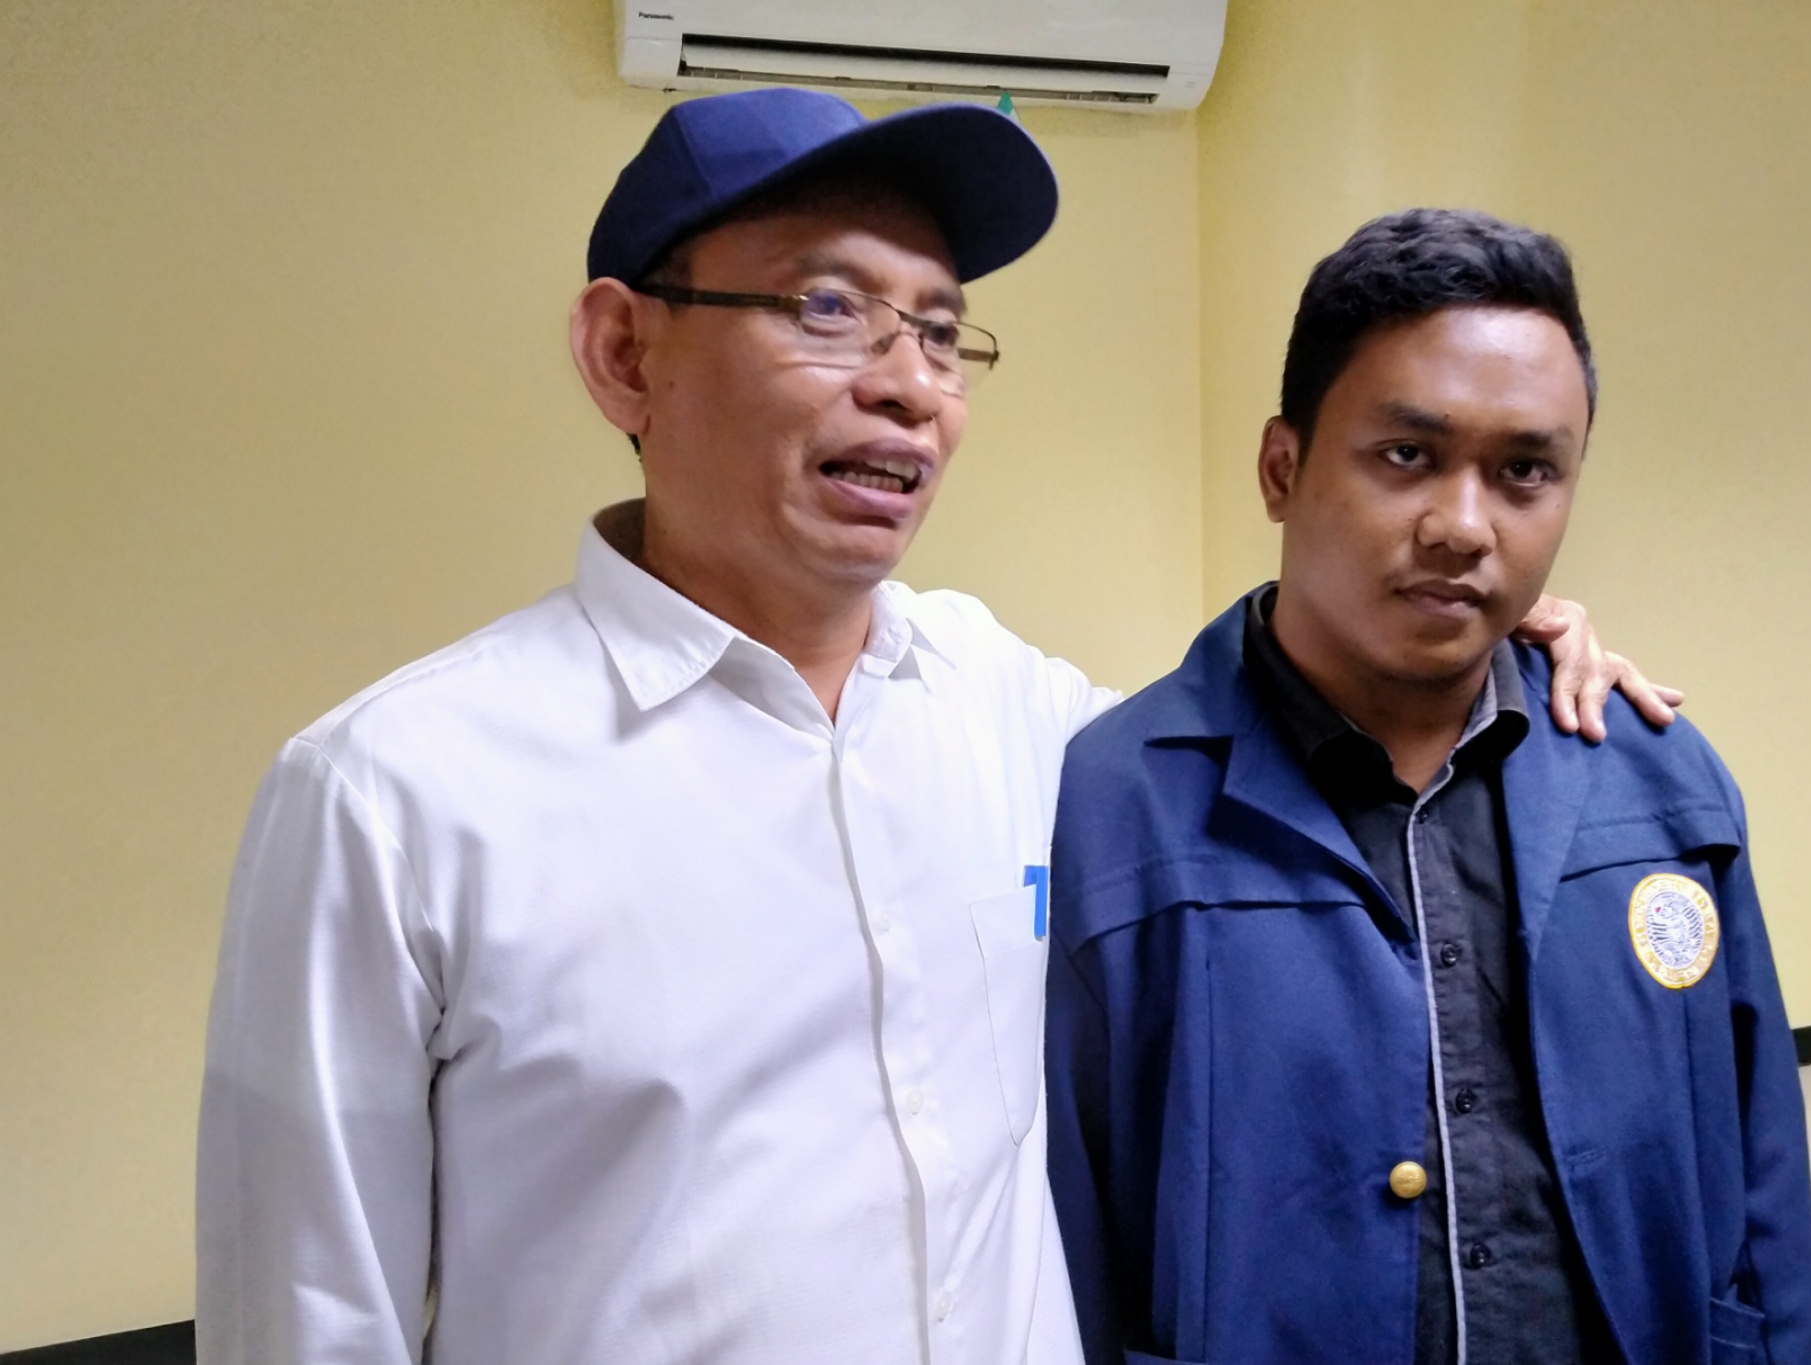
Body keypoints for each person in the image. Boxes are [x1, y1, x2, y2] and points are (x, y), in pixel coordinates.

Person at [197, 91, 1677, 1365]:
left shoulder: (1011, 707)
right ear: (624, 355)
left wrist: (1473, 643)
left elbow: (1280, 728)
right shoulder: (396, 796)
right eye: (825, 307)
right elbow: (311, 1312)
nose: (909, 383)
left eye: (943, 328)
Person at [1044, 208, 1811, 1365]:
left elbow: (1759, 1179)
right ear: (1280, 466)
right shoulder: (1114, 809)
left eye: (1524, 472)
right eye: (1406, 456)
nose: (1463, 527)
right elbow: (1069, 1227)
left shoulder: (1656, 778)